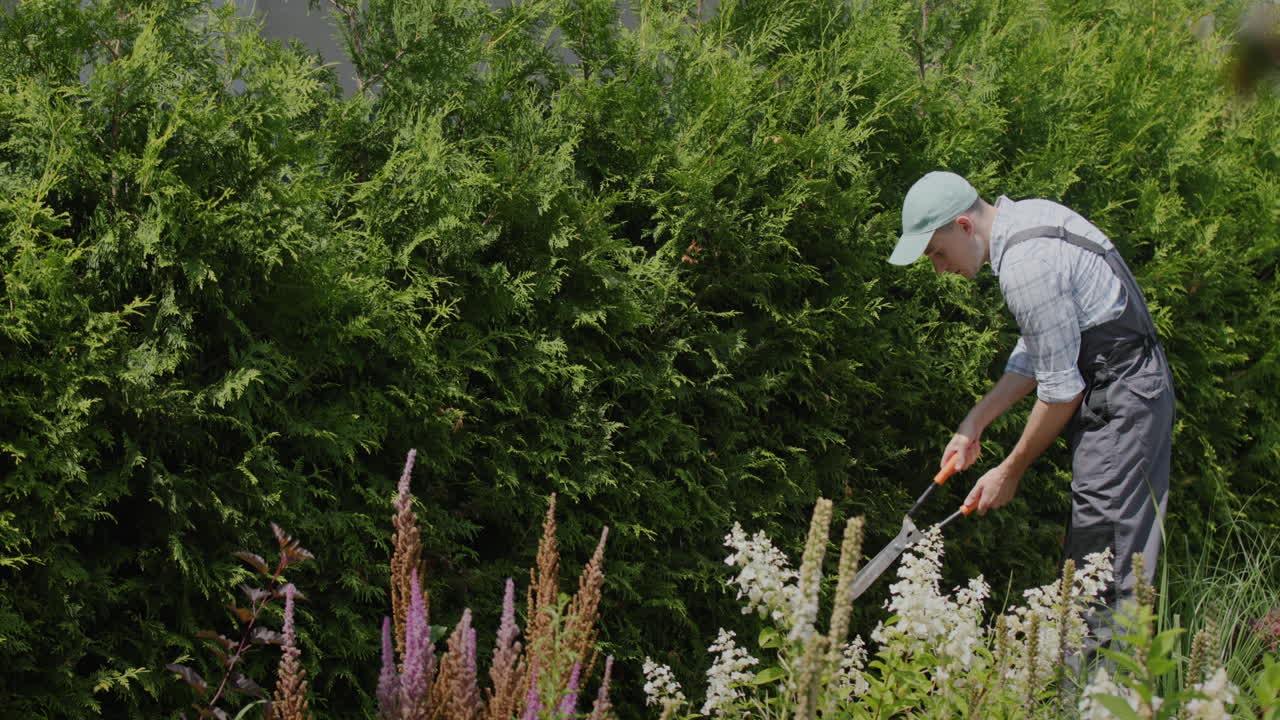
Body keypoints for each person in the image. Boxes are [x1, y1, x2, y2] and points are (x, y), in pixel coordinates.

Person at [888, 170, 1175, 651]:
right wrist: (974, 422)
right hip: (1131, 389)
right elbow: (1043, 348)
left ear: (963, 225)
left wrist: (1009, 470)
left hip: (1124, 399)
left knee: (1104, 561)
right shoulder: (1028, 218)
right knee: (1105, 557)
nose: (939, 269)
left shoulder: (1026, 263)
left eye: (937, 253)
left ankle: (1101, 698)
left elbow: (1061, 390)